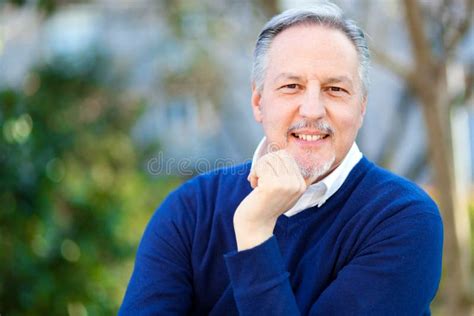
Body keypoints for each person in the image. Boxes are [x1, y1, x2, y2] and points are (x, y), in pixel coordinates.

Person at [119, 2, 443, 315]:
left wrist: (255, 233)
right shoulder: (190, 210)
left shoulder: (404, 219)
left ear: (361, 107)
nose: (313, 110)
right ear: (259, 102)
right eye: (292, 86)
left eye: (335, 89)